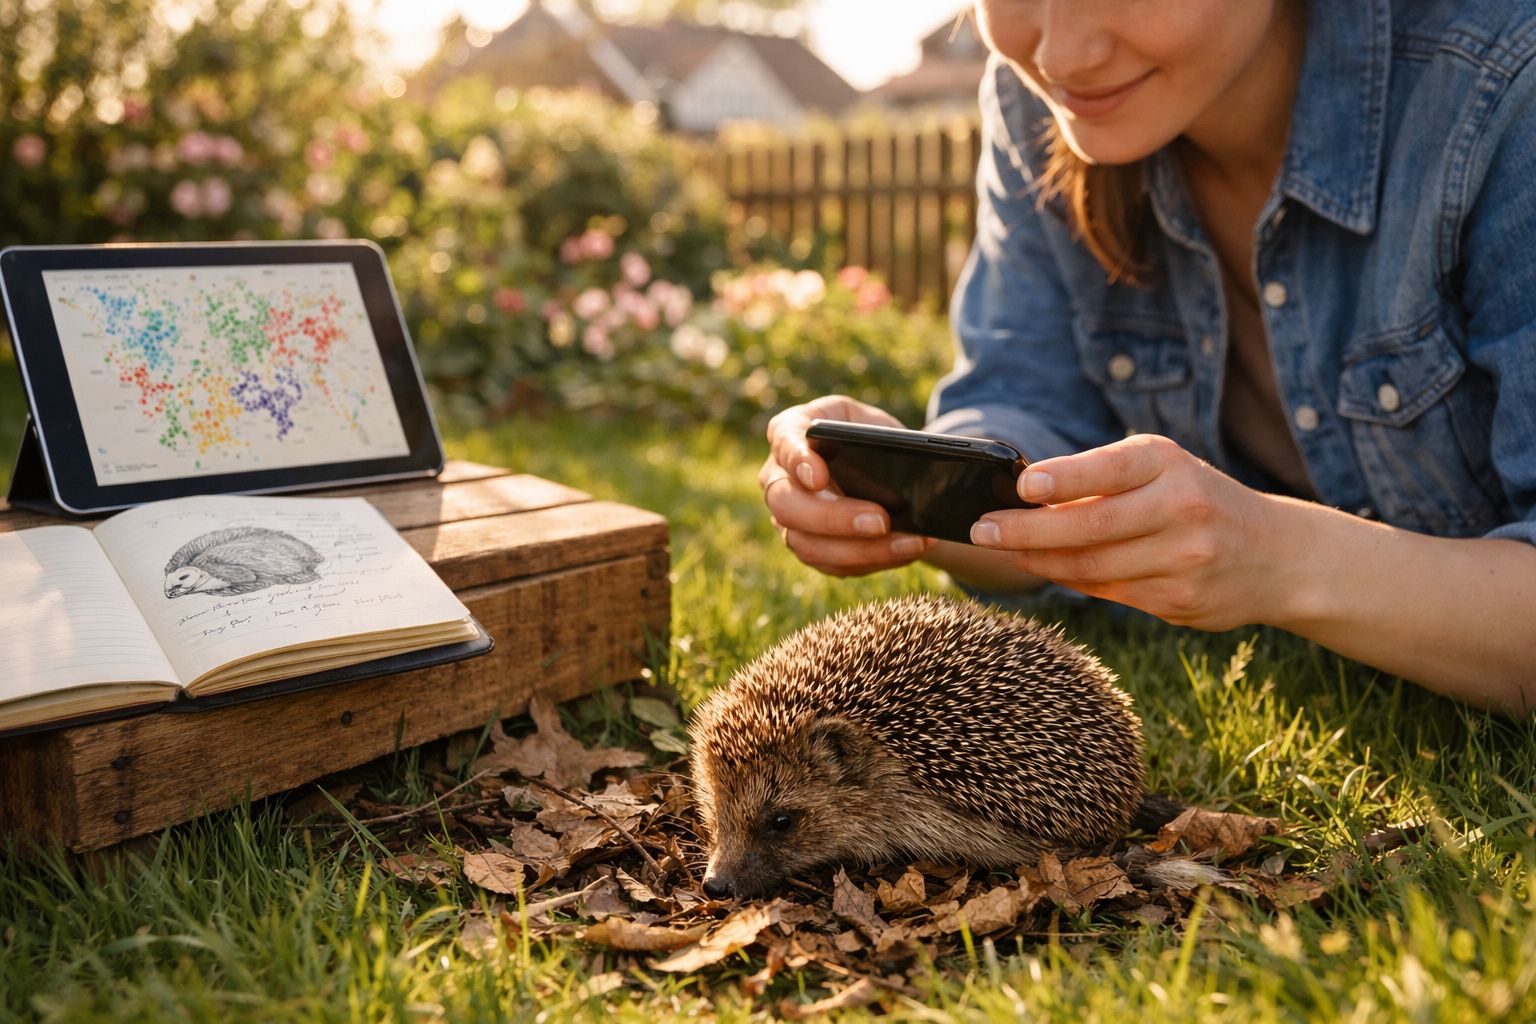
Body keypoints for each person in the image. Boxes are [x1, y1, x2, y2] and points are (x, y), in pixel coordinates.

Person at [759, 0, 1536, 715]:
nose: (1063, 52)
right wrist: (927, 501)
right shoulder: (1040, 104)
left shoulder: (1502, 80)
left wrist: (1271, 557)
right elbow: (1028, 407)